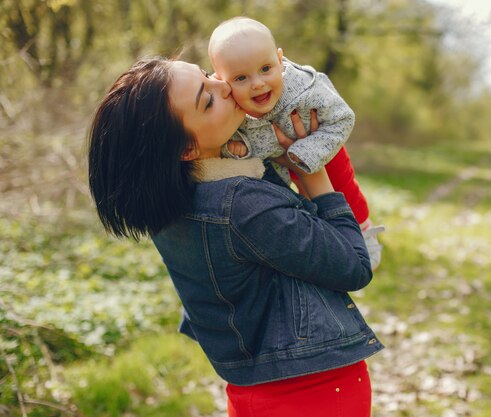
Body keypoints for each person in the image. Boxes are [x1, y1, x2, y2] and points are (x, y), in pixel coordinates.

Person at [87, 57, 384, 417]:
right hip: (314, 392)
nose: (224, 86)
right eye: (207, 100)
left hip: (252, 393)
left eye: (206, 75)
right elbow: (355, 265)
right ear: (186, 150)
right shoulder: (243, 205)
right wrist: (314, 170)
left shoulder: (171, 209)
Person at [208, 17, 384, 269]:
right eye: (240, 78)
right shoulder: (231, 110)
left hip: (318, 144)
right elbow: (230, 139)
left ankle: (363, 228)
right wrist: (239, 147)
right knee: (285, 201)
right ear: (221, 80)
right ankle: (322, 242)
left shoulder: (306, 89)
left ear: (280, 60)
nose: (257, 83)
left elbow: (343, 118)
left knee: (340, 182)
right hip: (279, 167)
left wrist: (305, 151)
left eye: (266, 68)